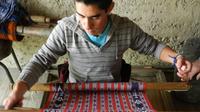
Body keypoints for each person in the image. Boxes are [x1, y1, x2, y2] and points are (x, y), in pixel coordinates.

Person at [3, 0, 192, 109]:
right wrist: (19, 88)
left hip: (115, 91)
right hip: (76, 91)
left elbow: (153, 47)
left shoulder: (124, 28)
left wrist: (176, 58)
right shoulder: (66, 29)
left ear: (109, 8)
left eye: (95, 17)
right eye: (81, 16)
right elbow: (41, 59)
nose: (86, 25)